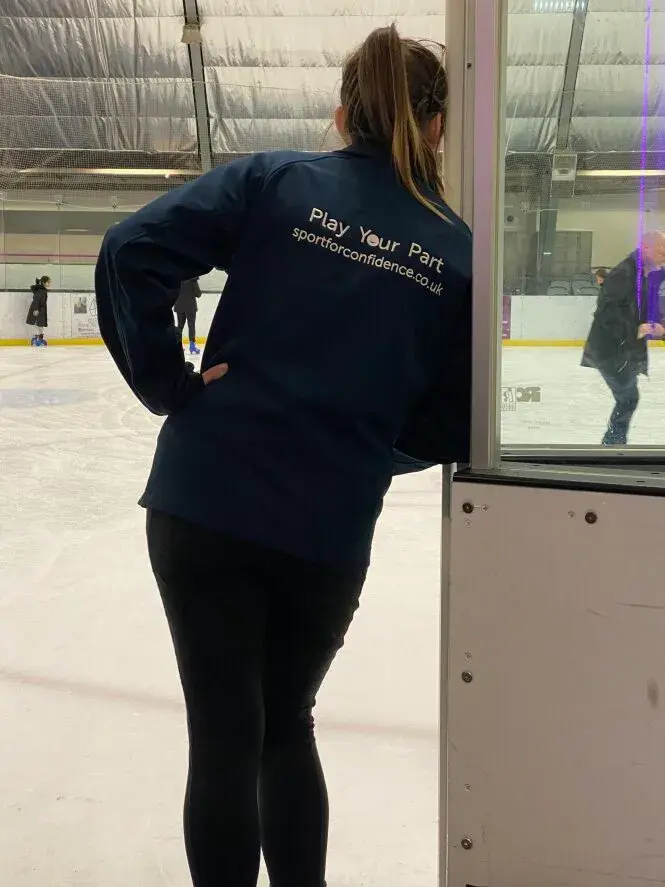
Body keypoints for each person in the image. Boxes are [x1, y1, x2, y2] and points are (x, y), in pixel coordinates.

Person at [95, 24, 471, 887]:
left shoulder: (276, 181)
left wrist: (168, 386)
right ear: (436, 127)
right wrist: (364, 445)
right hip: (325, 524)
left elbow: (130, 249)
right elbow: (453, 419)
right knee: (285, 724)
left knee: (225, 735)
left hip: (206, 497)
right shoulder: (456, 250)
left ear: (341, 115)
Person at [582, 232, 665, 446]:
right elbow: (607, 315)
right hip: (610, 351)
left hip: (624, 351)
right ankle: (613, 444)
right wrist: (637, 329)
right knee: (628, 398)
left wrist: (655, 326)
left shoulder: (644, 273)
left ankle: (614, 443)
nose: (664, 257)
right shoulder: (623, 274)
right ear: (645, 248)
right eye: (662, 252)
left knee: (628, 397)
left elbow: (642, 309)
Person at [174, 277, 202, 355]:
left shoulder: (178, 279)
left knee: (180, 326)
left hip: (179, 305)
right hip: (190, 306)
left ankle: (178, 346)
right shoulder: (193, 280)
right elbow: (198, 294)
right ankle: (192, 347)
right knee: (191, 326)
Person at [26, 275, 50, 346]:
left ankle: (39, 338)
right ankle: (36, 339)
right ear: (43, 282)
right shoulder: (41, 291)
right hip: (38, 310)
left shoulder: (42, 290)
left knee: (40, 324)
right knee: (38, 324)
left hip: (41, 310)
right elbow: (36, 300)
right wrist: (36, 309)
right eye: (48, 282)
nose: (49, 283)